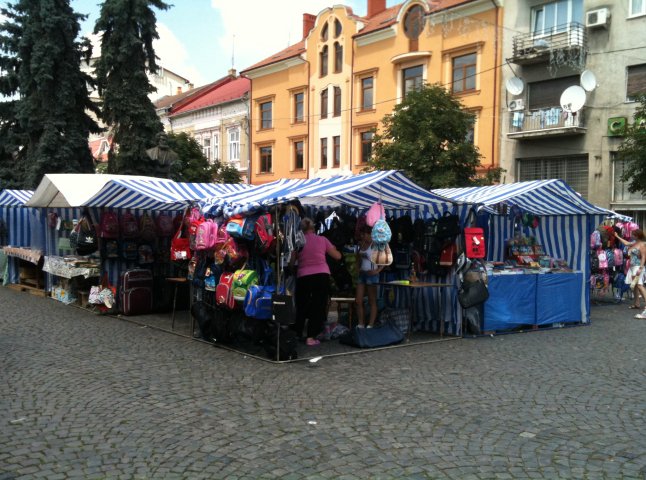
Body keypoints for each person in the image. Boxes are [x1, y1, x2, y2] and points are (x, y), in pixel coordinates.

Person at [292, 217, 342, 346]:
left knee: (301, 305)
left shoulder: (299, 241)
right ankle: (311, 337)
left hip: (303, 275)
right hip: (321, 274)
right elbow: (337, 256)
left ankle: (297, 333)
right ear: (314, 228)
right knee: (318, 305)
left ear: (301, 229)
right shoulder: (322, 240)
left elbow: (292, 261)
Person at [355, 226, 383, 328]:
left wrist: (377, 271)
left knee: (372, 300)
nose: (362, 237)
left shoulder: (375, 245)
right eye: (362, 234)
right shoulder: (360, 244)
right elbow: (357, 258)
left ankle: (370, 324)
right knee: (358, 300)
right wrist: (357, 268)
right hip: (362, 273)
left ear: (370, 234)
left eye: (364, 234)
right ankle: (361, 323)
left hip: (372, 274)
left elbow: (384, 261)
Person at [615, 228, 646, 316]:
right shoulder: (634, 243)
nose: (631, 235)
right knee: (635, 286)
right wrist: (617, 236)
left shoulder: (642, 244)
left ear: (637, 235)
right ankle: (637, 303)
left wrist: (641, 268)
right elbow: (626, 243)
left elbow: (644, 257)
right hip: (632, 267)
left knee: (639, 285)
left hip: (638, 267)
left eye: (633, 234)